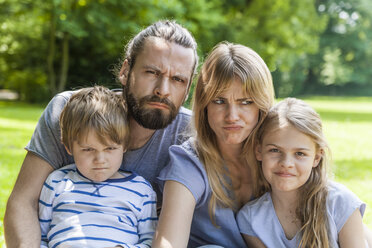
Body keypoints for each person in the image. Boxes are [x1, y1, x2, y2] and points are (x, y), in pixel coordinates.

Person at [4, 20, 198, 247]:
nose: (162, 90)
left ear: (187, 89)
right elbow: (24, 202)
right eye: (152, 72)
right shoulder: (70, 112)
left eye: (177, 79)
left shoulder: (191, 133)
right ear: (125, 71)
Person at [153, 42, 275, 248]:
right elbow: (168, 242)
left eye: (245, 102)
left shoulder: (280, 156)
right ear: (204, 106)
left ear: (261, 106)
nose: (232, 116)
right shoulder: (189, 162)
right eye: (219, 101)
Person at [237, 98, 367, 248]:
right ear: (259, 151)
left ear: (316, 158)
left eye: (299, 153)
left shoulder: (340, 203)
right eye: (275, 150)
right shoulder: (250, 219)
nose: (286, 163)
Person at [38, 86, 157, 247]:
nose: (100, 159)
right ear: (68, 147)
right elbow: (40, 236)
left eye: (110, 148)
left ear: (124, 145)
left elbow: (150, 240)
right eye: (88, 149)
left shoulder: (141, 190)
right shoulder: (56, 182)